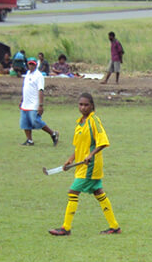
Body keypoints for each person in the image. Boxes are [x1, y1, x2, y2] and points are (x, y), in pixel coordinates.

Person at [48, 93, 121, 236]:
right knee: (98, 193)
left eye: (86, 105)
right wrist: (70, 159)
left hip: (91, 166)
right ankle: (114, 226)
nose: (83, 107)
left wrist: (91, 155)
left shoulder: (94, 121)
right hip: (82, 165)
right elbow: (79, 146)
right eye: (80, 104)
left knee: (73, 192)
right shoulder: (80, 122)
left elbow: (103, 141)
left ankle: (65, 228)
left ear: (92, 106)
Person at [19, 58, 60, 147]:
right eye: (29, 64)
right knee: (25, 123)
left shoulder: (39, 76)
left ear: (36, 65)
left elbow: (40, 90)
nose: (31, 66)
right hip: (26, 103)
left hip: (34, 103)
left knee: (35, 121)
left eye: (33, 64)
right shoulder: (27, 74)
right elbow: (25, 88)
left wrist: (40, 105)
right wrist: (22, 99)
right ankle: (29, 140)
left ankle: (53, 133)